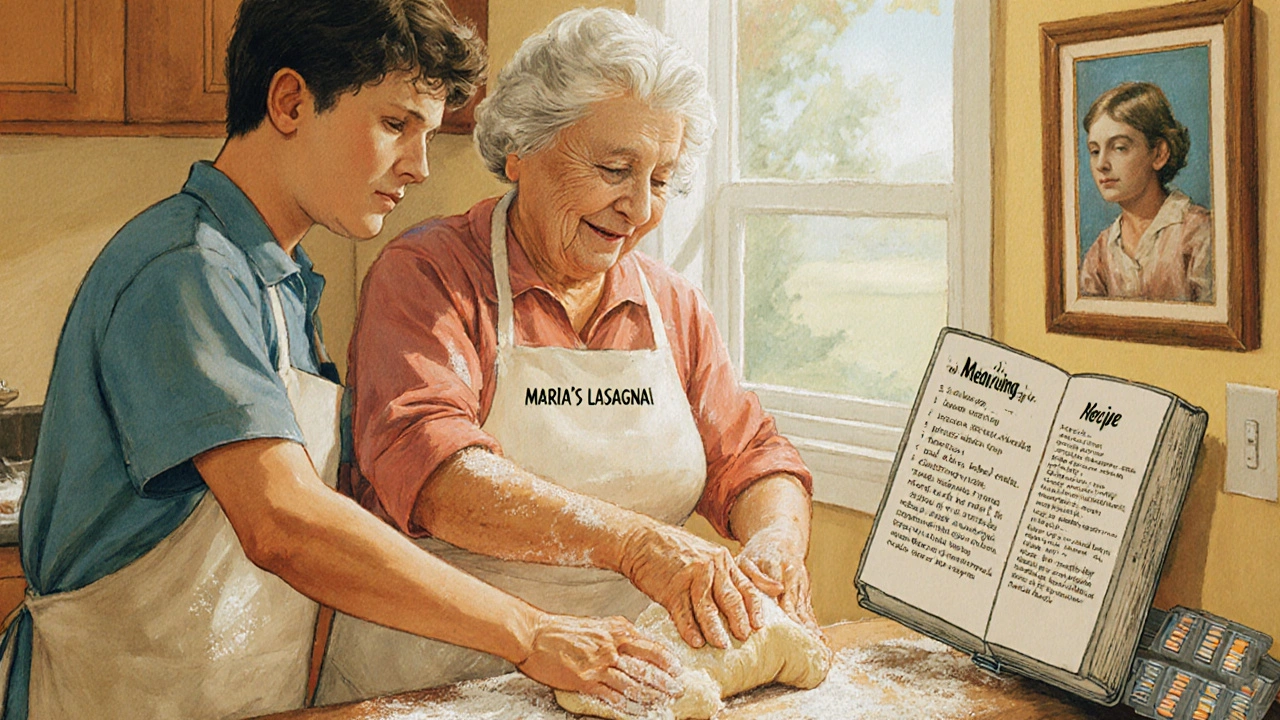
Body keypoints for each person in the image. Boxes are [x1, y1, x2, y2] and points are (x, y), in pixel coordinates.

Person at [0, 2, 682, 718]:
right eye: (395, 124)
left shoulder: (278, 281)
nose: (419, 166)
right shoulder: (187, 271)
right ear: (291, 101)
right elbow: (283, 523)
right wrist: (531, 632)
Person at [317, 8, 817, 704]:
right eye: (615, 168)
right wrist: (640, 547)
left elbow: (754, 459)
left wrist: (775, 544)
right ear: (521, 150)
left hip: (630, 683)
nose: (639, 207)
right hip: (435, 679)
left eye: (663, 179)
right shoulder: (428, 276)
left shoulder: (671, 307)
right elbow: (434, 477)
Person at [1078, 81, 1212, 303]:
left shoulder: (1198, 234)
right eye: (1094, 151)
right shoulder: (1100, 251)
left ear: (1159, 153)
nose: (1101, 163)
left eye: (1119, 147)